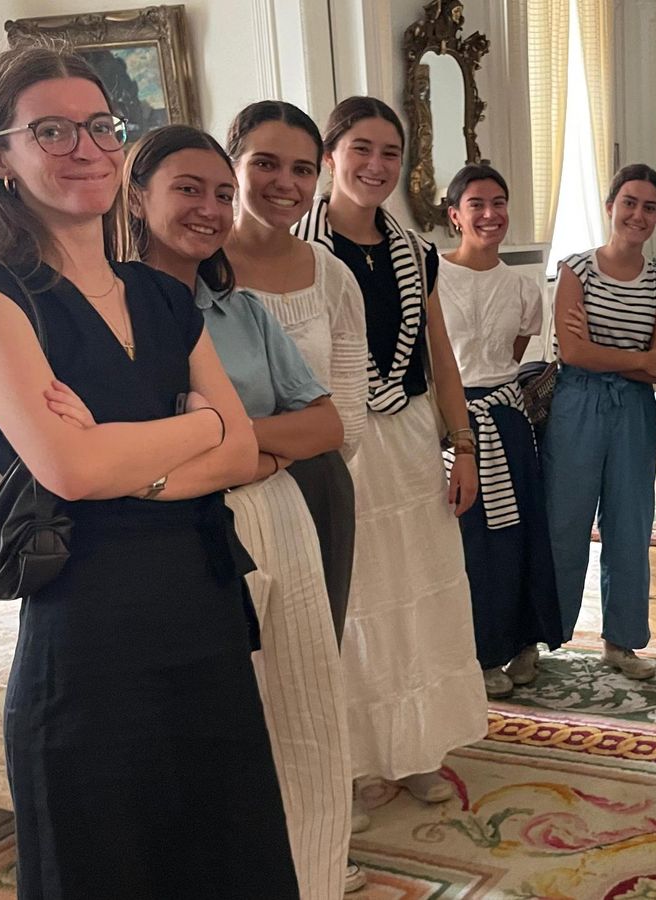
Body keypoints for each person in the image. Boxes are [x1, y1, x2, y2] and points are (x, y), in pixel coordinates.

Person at [0, 46, 297, 897]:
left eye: (99, 127)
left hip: (203, 617)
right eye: (50, 131)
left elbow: (239, 452)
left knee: (225, 862)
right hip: (88, 642)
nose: (86, 147)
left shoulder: (163, 295)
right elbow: (68, 469)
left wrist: (148, 454)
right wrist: (192, 426)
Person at [121, 121, 360, 898]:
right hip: (172, 537)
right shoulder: (104, 315)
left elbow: (326, 424)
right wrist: (249, 448)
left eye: (222, 193)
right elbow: (121, 456)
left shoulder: (244, 312)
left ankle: (305, 869)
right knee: (213, 730)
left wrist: (228, 440)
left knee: (301, 708)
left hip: (283, 519)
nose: (210, 207)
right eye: (188, 188)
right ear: (136, 196)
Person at [295, 95, 489, 813]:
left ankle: (416, 748)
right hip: (331, 443)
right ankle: (358, 757)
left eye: (389, 153)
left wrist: (461, 444)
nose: (376, 166)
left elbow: (440, 353)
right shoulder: (298, 248)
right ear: (330, 155)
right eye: (361, 149)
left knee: (419, 592)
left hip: (409, 440)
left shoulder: (415, 251)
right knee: (357, 597)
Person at [221, 101, 367, 648]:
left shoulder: (332, 276)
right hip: (214, 495)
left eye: (302, 169)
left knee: (310, 658)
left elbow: (345, 424)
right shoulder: (193, 267)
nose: (285, 182)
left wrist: (261, 452)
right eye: (265, 163)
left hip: (315, 488)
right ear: (232, 165)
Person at [438, 163, 566, 697]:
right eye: (477, 204)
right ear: (454, 215)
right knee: (467, 539)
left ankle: (522, 641)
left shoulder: (522, 287)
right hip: (451, 423)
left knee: (519, 532)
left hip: (507, 418)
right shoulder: (432, 276)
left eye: (499, 203)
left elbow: (511, 357)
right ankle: (477, 649)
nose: (490, 215)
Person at [546, 164, 656, 680]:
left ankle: (621, 642)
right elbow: (572, 353)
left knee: (630, 524)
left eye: (648, 207)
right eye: (629, 203)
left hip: (636, 412)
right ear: (610, 207)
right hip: (576, 405)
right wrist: (634, 359)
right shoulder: (576, 268)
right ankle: (540, 634)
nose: (637, 215)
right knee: (564, 523)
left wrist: (621, 358)